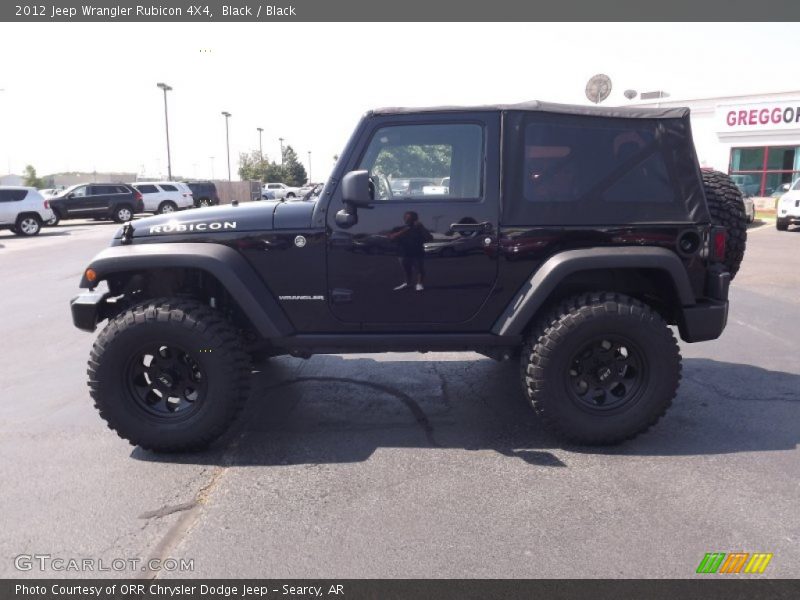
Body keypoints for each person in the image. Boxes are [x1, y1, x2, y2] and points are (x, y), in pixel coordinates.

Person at [388, 211, 432, 291]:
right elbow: (391, 238)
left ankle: (419, 284)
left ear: (416, 219)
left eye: (412, 219)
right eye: (408, 219)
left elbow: (429, 238)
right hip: (403, 253)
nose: (410, 221)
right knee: (406, 269)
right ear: (404, 219)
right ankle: (407, 283)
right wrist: (404, 231)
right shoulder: (398, 228)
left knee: (419, 269)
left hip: (417, 253)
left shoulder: (420, 229)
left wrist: (421, 227)